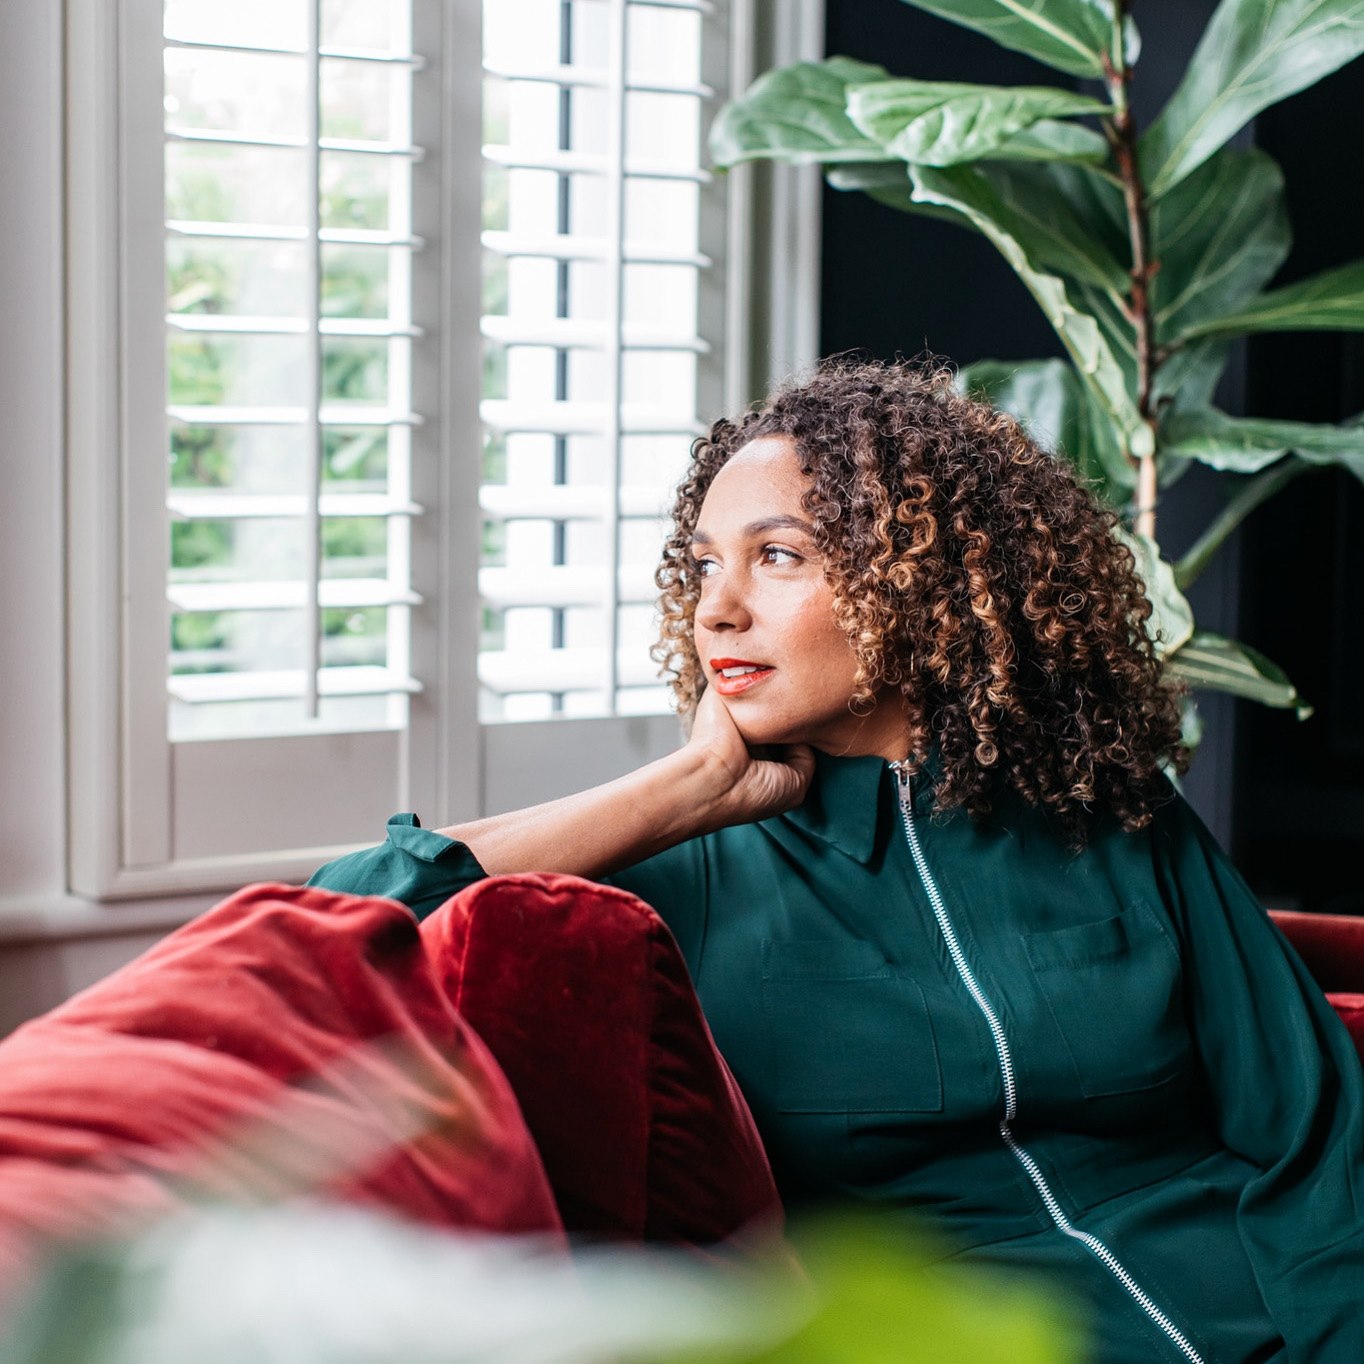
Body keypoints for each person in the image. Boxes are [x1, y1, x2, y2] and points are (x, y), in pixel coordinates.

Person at [309, 356, 1363, 1363]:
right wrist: (683, 788)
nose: (716, 608)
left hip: (1252, 1311)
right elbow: (331, 928)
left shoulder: (1109, 815)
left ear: (919, 579)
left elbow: (1313, 1129)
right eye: (704, 565)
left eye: (776, 556)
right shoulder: (684, 866)